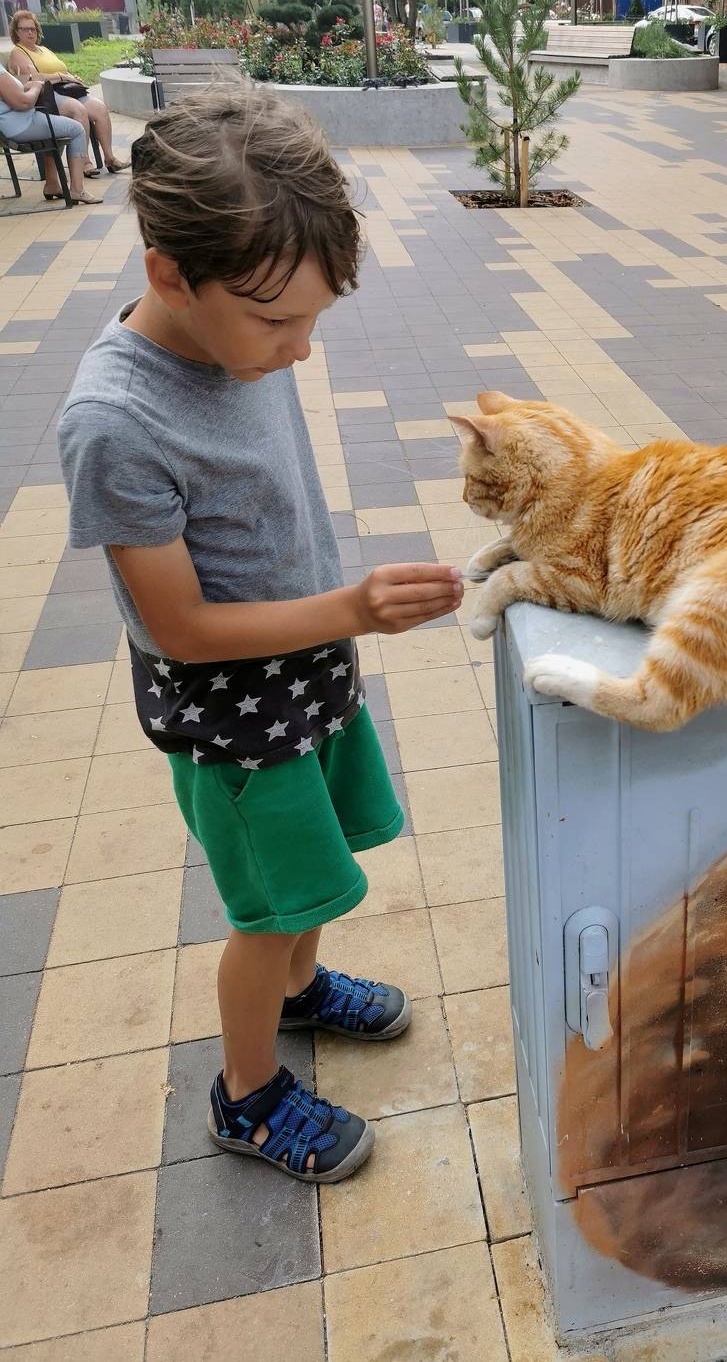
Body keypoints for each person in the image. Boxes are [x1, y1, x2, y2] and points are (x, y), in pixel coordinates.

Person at [58, 87, 464, 1181]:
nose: (300, 351)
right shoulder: (115, 422)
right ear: (169, 277)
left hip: (308, 675)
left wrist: (341, 625)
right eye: (279, 323)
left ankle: (300, 990)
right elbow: (180, 628)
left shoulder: (237, 340)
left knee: (313, 878)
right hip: (235, 722)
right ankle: (245, 1096)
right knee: (265, 910)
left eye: (314, 321)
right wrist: (354, 609)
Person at [7, 9, 130, 176]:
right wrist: (61, 76)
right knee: (77, 110)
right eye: (25, 29)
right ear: (16, 32)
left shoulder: (43, 49)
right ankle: (84, 162)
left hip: (66, 89)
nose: (30, 32)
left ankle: (110, 159)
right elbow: (34, 78)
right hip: (46, 95)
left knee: (100, 108)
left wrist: (71, 77)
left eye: (33, 29)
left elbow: (61, 69)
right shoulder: (18, 52)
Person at [0, 64, 102, 203]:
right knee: (77, 130)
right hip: (20, 125)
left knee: (58, 126)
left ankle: (52, 185)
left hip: (12, 124)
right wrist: (36, 87)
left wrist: (26, 87)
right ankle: (77, 190)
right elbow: (23, 103)